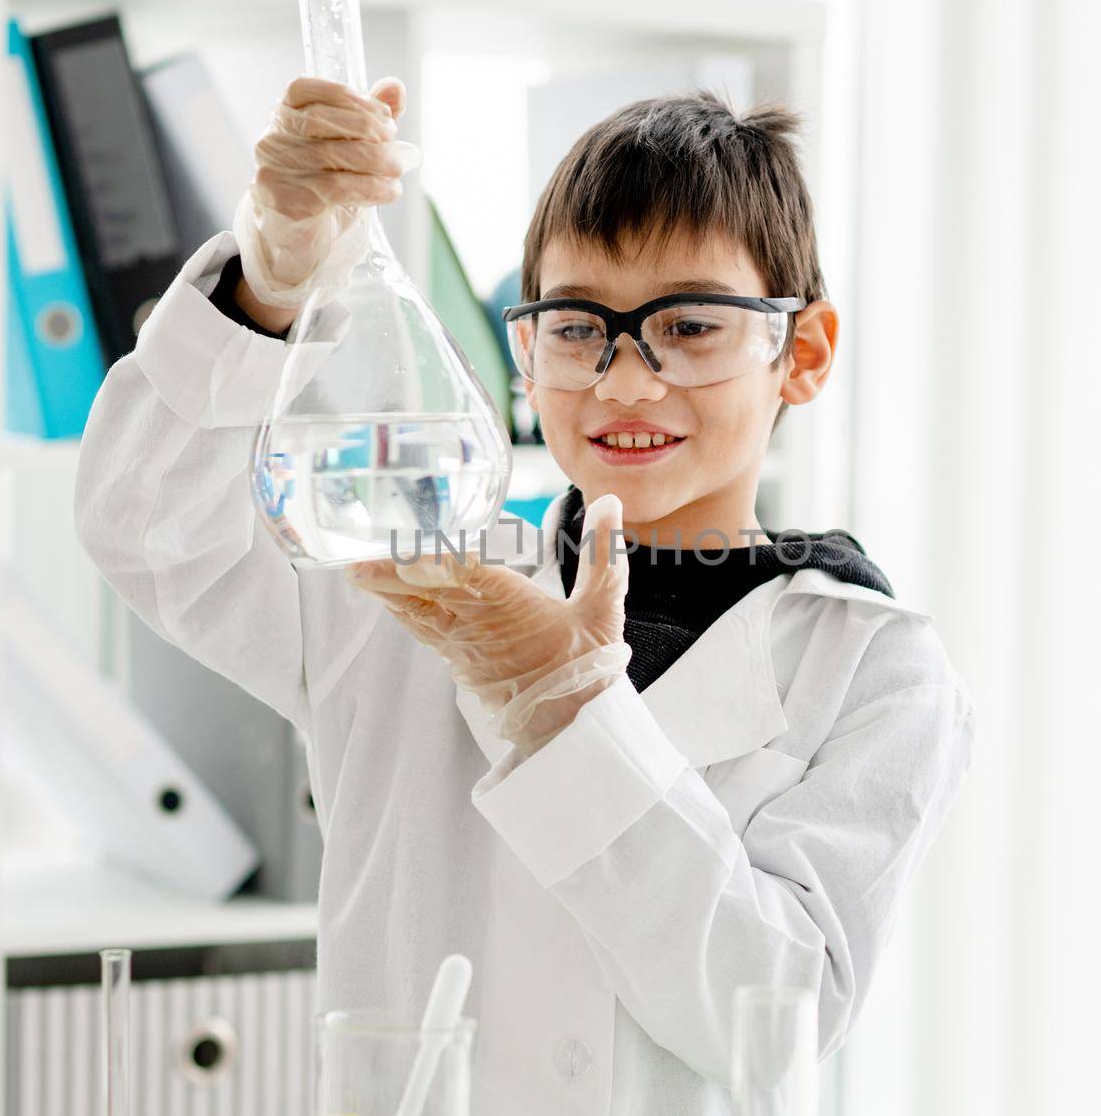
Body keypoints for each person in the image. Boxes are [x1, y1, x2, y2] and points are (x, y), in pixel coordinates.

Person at [73, 72, 976, 1115]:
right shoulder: (418, 581)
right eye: (577, 325)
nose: (624, 380)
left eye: (689, 326)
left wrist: (566, 707)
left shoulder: (878, 670)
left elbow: (766, 1016)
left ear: (800, 351)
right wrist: (267, 289)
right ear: (522, 350)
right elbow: (146, 529)